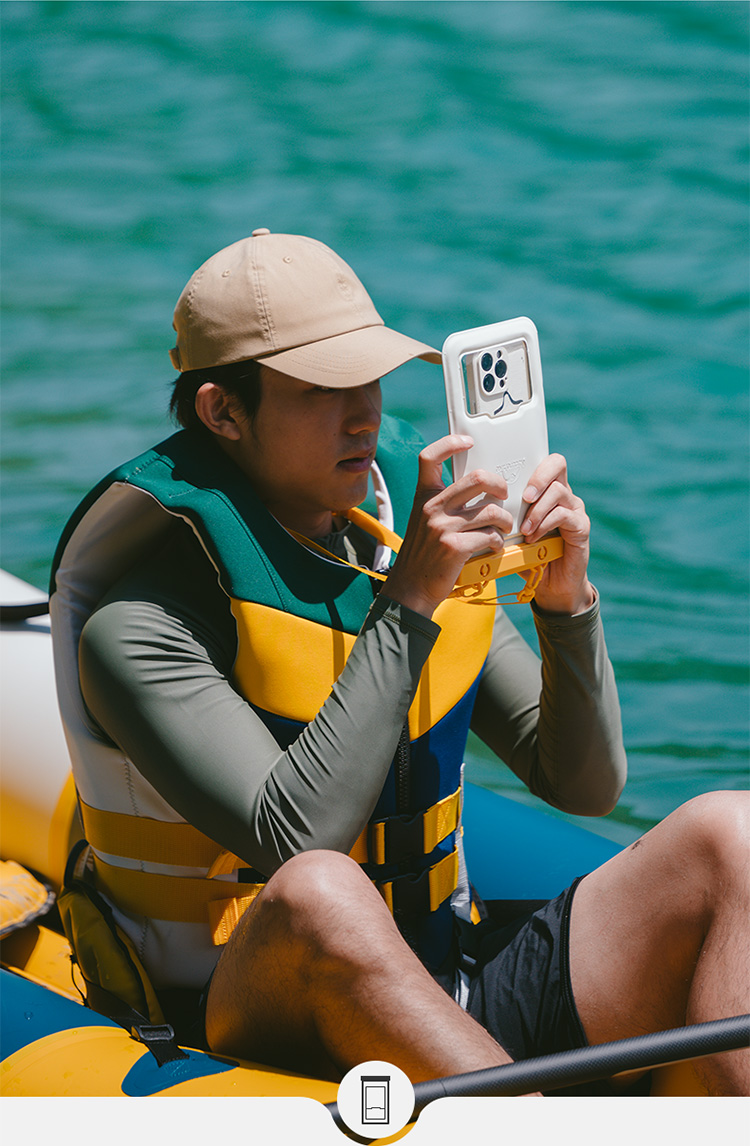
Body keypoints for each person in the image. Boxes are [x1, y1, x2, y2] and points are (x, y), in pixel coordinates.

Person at [50, 229, 749, 1096]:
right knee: (321, 891)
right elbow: (300, 842)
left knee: (731, 833)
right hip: (244, 1023)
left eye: (370, 380)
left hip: (444, 980)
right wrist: (411, 599)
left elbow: (585, 785)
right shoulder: (142, 626)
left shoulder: (393, 548)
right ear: (222, 412)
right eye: (321, 390)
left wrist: (566, 605)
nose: (364, 416)